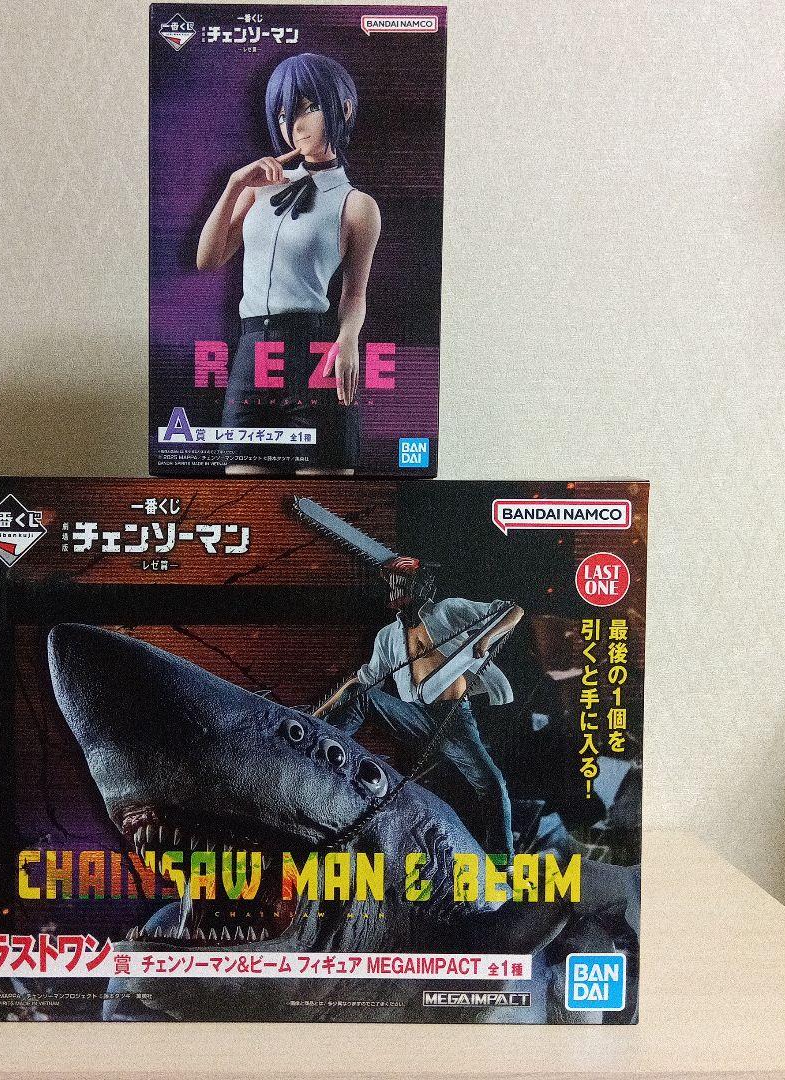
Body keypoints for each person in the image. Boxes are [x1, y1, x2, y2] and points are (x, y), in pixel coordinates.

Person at [196, 53, 381, 475]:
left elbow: (355, 294)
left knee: (323, 498)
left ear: (343, 109)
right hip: (252, 353)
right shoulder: (259, 189)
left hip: (312, 354)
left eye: (308, 108)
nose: (293, 125)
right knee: (242, 498)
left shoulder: (358, 206)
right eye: (283, 114)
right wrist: (234, 184)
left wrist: (349, 339)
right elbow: (207, 259)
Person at [316, 558, 524, 864]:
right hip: (415, 717)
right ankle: (319, 753)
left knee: (492, 785)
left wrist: (486, 639)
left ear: (419, 586)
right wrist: (315, 716)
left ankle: (502, 863)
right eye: (391, 584)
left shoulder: (449, 611)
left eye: (400, 583)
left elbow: (513, 611)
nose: (394, 590)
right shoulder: (388, 637)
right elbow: (358, 682)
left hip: (453, 720)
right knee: (363, 697)